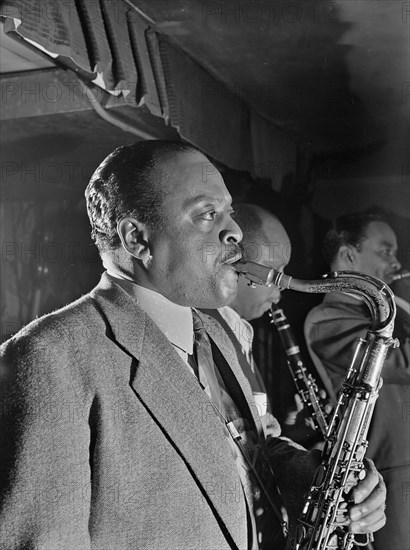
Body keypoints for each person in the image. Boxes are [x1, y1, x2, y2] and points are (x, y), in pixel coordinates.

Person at [0, 142, 386, 550]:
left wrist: (307, 474)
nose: (235, 231)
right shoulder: (49, 358)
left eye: (229, 212)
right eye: (207, 214)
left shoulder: (217, 332)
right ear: (137, 238)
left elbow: (244, 449)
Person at [304, 211, 410, 550]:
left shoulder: (391, 316)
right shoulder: (326, 318)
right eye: (385, 251)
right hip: (390, 475)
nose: (395, 263)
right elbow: (399, 363)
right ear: (349, 255)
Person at [203, 203, 328, 448]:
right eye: (276, 273)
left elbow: (252, 438)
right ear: (235, 261)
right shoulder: (206, 333)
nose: (281, 286)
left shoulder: (238, 329)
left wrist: (293, 431)